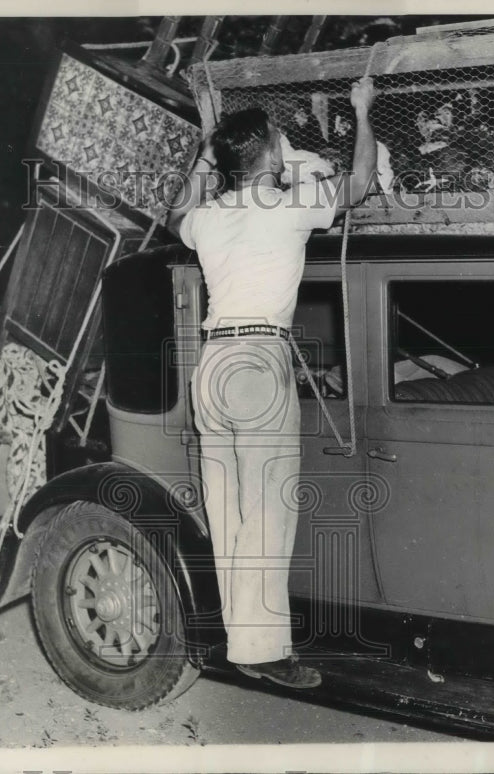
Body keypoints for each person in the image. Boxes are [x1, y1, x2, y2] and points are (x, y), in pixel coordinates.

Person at [167, 77, 378, 689]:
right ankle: (262, 652)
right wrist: (362, 114)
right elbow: (359, 186)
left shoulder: (207, 218)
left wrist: (207, 155)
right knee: (267, 509)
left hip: (212, 365)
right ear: (266, 154)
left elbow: (174, 214)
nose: (287, 145)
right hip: (258, 361)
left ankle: (242, 640)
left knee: (229, 506)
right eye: (281, 139)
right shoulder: (288, 205)